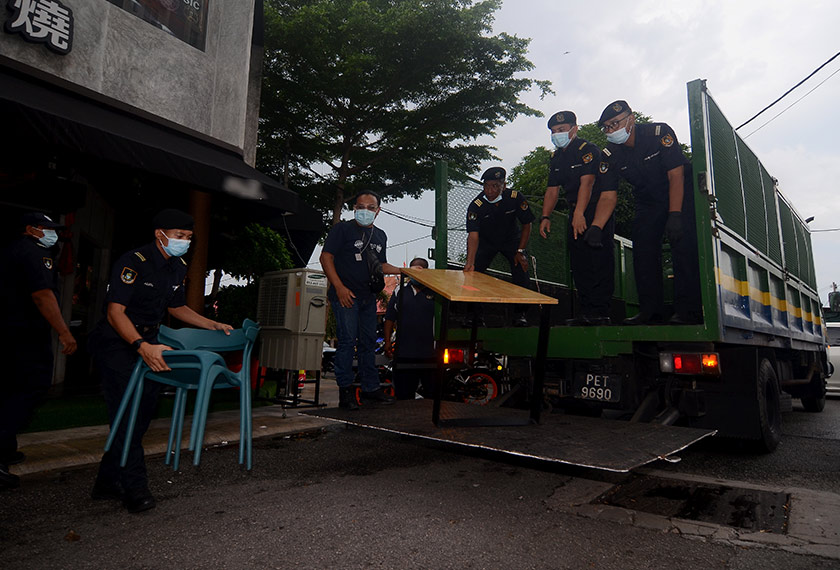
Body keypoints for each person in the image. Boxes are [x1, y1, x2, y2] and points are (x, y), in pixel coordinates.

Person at [89, 209, 233, 513]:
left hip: (151, 341)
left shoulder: (177, 267)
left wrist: (211, 324)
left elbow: (177, 307)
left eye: (189, 238)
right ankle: (134, 487)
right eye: (180, 236)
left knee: (142, 413)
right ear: (160, 234)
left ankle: (106, 481)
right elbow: (115, 313)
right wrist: (141, 346)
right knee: (127, 412)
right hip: (120, 342)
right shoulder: (133, 262)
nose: (185, 242)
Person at [596, 100, 702, 325]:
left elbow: (676, 175)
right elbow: (607, 196)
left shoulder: (659, 133)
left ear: (631, 119)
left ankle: (688, 309)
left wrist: (675, 215)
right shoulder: (609, 154)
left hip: (680, 193)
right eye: (607, 127)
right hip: (648, 201)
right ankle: (650, 311)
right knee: (643, 249)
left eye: (615, 123)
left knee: (683, 245)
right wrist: (596, 226)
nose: (611, 130)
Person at [0, 212, 77, 490]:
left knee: (9, 387)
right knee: (31, 386)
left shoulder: (11, 249)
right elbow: (42, 295)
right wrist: (64, 331)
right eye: (46, 229)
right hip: (24, 333)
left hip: (9, 331)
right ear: (31, 229)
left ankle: (7, 448)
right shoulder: (35, 253)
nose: (52, 234)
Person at [320, 191, 401, 410]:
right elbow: (325, 257)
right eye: (360, 206)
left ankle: (370, 389)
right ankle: (345, 392)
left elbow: (381, 266)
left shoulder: (380, 236)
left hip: (368, 297)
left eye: (370, 207)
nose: (365, 211)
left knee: (368, 343)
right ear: (354, 208)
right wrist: (339, 288)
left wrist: (404, 270)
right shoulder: (342, 229)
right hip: (346, 296)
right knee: (347, 342)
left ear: (378, 210)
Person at [539, 111, 615, 326]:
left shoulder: (587, 150)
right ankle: (586, 312)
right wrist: (545, 217)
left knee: (598, 259)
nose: (557, 135)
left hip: (596, 209)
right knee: (579, 261)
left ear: (574, 129)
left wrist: (581, 214)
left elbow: (588, 183)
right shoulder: (556, 157)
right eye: (553, 132)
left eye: (561, 130)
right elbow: (552, 190)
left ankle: (601, 312)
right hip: (575, 209)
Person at [464, 166, 535, 327]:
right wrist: (470, 261)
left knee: (521, 269)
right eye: (486, 186)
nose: (489, 191)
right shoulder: (476, 205)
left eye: (494, 186)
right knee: (473, 273)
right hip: (486, 241)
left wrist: (520, 251)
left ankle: (520, 314)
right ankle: (474, 315)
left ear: (504, 185)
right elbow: (473, 235)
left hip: (511, 240)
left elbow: (527, 224)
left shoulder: (515, 198)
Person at [384, 257, 436, 400]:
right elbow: (389, 318)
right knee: (404, 397)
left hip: (430, 355)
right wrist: (387, 342)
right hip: (404, 354)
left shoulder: (436, 292)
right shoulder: (399, 291)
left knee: (431, 397)